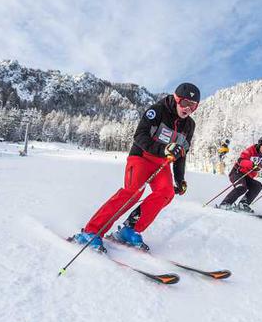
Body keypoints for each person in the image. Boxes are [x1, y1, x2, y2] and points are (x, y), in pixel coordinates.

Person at [74, 82, 200, 249]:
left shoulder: (189, 125)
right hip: (141, 156)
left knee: (166, 192)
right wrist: (164, 149)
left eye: (193, 106)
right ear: (176, 99)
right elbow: (139, 136)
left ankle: (130, 230)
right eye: (185, 103)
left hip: (162, 163)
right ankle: (91, 231)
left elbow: (180, 154)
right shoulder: (157, 110)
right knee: (133, 192)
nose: (188, 109)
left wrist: (180, 179)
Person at [218, 135, 262, 213]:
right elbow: (241, 161)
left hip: (247, 176)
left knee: (257, 186)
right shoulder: (250, 150)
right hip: (237, 172)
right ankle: (225, 204)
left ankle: (243, 204)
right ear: (259, 145)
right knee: (242, 187)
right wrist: (253, 165)